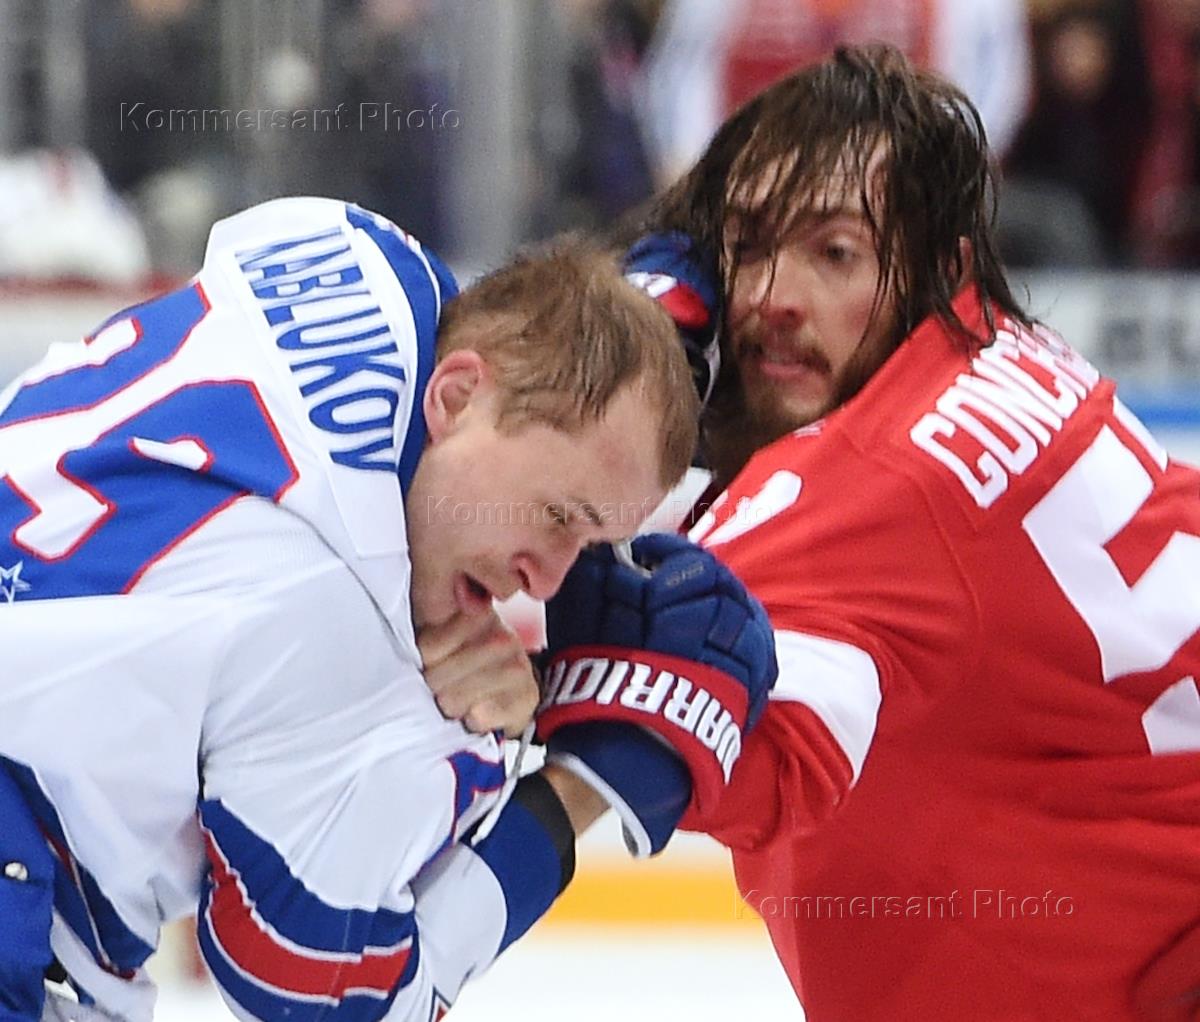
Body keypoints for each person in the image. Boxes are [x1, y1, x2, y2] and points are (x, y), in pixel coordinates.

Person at [544, 44, 1200, 1019]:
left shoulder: (866, 487)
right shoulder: (1001, 346)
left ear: (942, 264)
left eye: (835, 253)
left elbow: (645, 684)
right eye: (747, 244)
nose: (772, 297)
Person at [0, 195, 714, 1021]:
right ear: (456, 397)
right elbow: (320, 995)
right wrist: (577, 782)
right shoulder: (333, 627)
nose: (548, 582)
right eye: (558, 516)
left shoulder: (353, 249)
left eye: (587, 545)